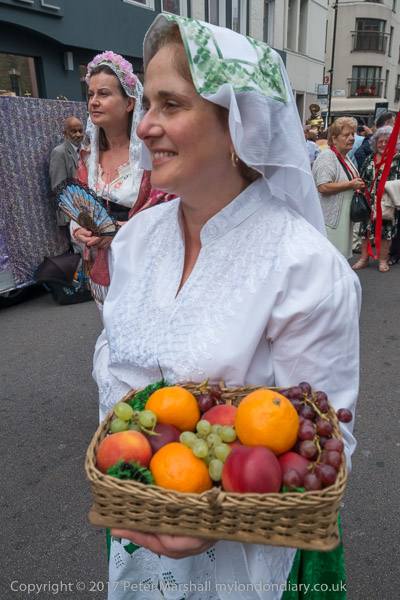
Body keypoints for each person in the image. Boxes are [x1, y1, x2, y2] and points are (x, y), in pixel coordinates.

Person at [92, 15, 361, 600]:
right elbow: (116, 365)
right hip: (138, 526)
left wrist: (212, 521)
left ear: (240, 125)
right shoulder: (137, 240)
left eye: (171, 104)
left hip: (245, 558)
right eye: (147, 104)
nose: (145, 126)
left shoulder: (304, 267)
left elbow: (322, 443)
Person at [71, 51, 171, 307]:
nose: (94, 102)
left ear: (129, 103)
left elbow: (171, 214)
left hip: (143, 264)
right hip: (102, 264)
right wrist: (80, 230)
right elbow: (78, 207)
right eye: (91, 94)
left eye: (104, 94)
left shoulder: (151, 156)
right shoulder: (88, 158)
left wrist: (117, 232)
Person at [312, 117, 365, 259]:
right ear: (334, 139)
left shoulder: (344, 157)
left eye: (352, 134)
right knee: (333, 259)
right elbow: (323, 186)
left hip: (343, 219)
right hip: (331, 220)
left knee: (340, 258)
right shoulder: (327, 157)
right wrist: (350, 184)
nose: (351, 138)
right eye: (346, 135)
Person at [352, 125, 400, 272]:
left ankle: (383, 260)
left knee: (386, 232)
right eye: (380, 141)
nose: (383, 144)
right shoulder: (369, 159)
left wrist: (388, 187)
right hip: (369, 201)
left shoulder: (397, 159)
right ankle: (364, 259)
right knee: (365, 231)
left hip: (387, 202)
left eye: (386, 142)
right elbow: (362, 176)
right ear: (375, 143)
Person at [49, 116, 84, 237]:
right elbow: (59, 187)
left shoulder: (87, 150)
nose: (78, 134)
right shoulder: (59, 152)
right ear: (65, 134)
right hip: (74, 213)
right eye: (74, 131)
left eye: (80, 131)